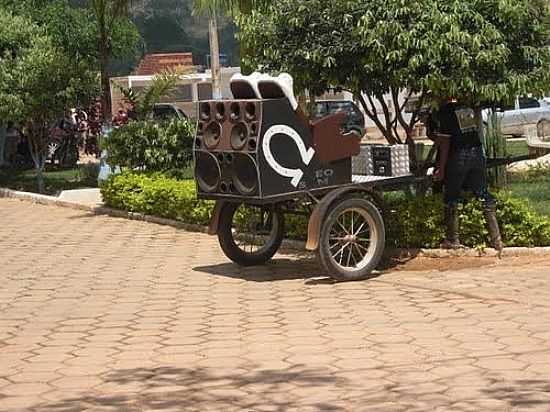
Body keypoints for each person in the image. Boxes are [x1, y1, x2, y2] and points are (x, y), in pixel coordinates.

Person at [427, 98, 503, 252]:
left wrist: (441, 168)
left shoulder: (445, 112)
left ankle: (452, 239)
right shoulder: (465, 108)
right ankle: (497, 240)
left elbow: (446, 142)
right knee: (483, 193)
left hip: (459, 156)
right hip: (477, 155)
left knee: (451, 196)